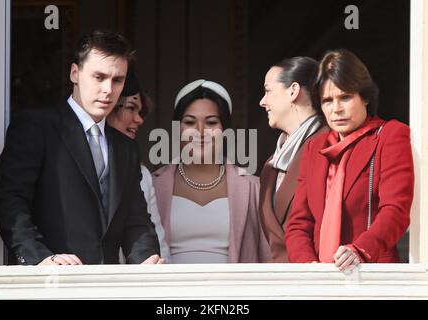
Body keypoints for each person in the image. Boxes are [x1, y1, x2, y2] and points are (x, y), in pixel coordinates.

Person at [0, 30, 163, 265]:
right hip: (49, 285)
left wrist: (145, 259)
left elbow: (136, 221)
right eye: (99, 77)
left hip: (108, 286)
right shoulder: (36, 127)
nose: (108, 89)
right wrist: (40, 258)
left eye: (117, 80)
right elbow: (9, 200)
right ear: (75, 73)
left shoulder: (126, 148)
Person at [285, 49, 414, 271]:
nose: (336, 109)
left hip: (371, 275)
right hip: (319, 280)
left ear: (364, 96)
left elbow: (396, 210)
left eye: (345, 97)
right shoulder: (314, 148)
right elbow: (298, 224)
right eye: (327, 101)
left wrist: (360, 250)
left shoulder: (390, 135)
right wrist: (309, 269)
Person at [152, 79, 271, 263]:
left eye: (211, 122)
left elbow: (267, 254)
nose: (200, 132)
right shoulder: (153, 185)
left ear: (225, 130)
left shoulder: (252, 187)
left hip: (232, 291)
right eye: (190, 122)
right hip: (170, 291)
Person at [258, 57, 326, 262]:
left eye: (268, 90)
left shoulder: (329, 147)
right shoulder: (271, 165)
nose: (262, 101)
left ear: (293, 91)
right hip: (282, 283)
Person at [107, 69, 171, 263]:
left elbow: (156, 239)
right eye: (131, 108)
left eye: (140, 111)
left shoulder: (141, 173)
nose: (139, 119)